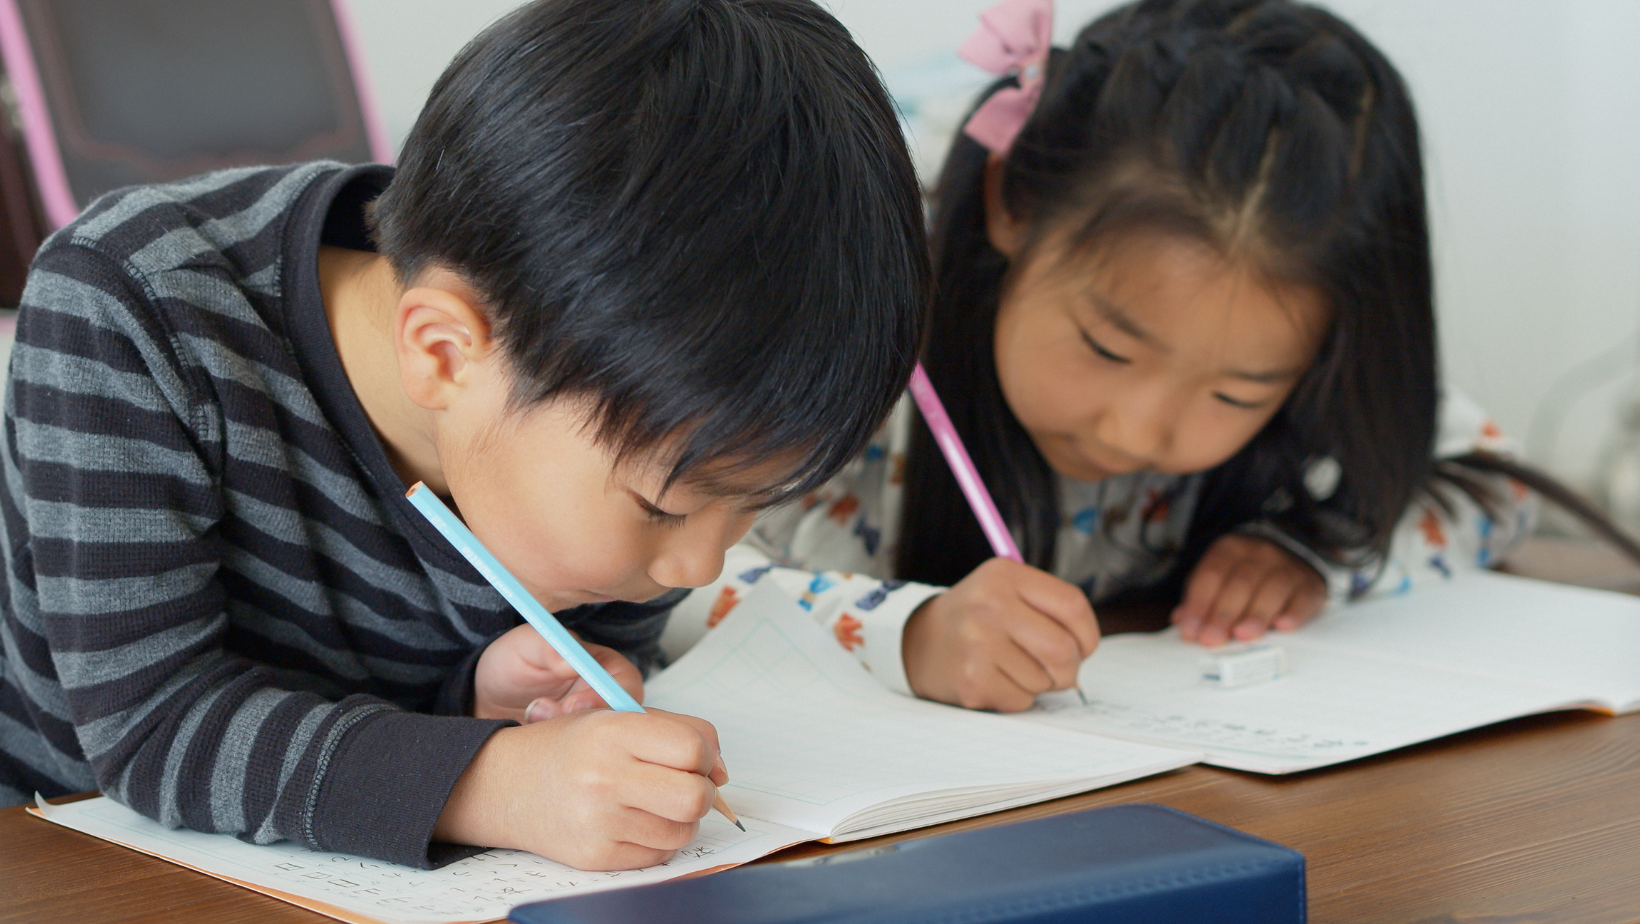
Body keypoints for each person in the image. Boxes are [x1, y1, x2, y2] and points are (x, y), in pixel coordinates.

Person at [0, 0, 928, 872]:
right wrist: (497, 783)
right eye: (662, 506)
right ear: (445, 353)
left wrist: (484, 700)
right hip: (72, 852)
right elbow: (155, 728)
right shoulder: (135, 307)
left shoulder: (609, 408)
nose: (699, 568)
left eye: (750, 509)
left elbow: (424, 698)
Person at [664, 0, 1534, 712]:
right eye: (1109, 347)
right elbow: (655, 580)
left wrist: (1310, 551)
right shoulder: (844, 336)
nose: (1143, 429)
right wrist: (910, 634)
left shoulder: (1302, 351)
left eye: (1238, 393)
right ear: (1014, 202)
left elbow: (1493, 485)